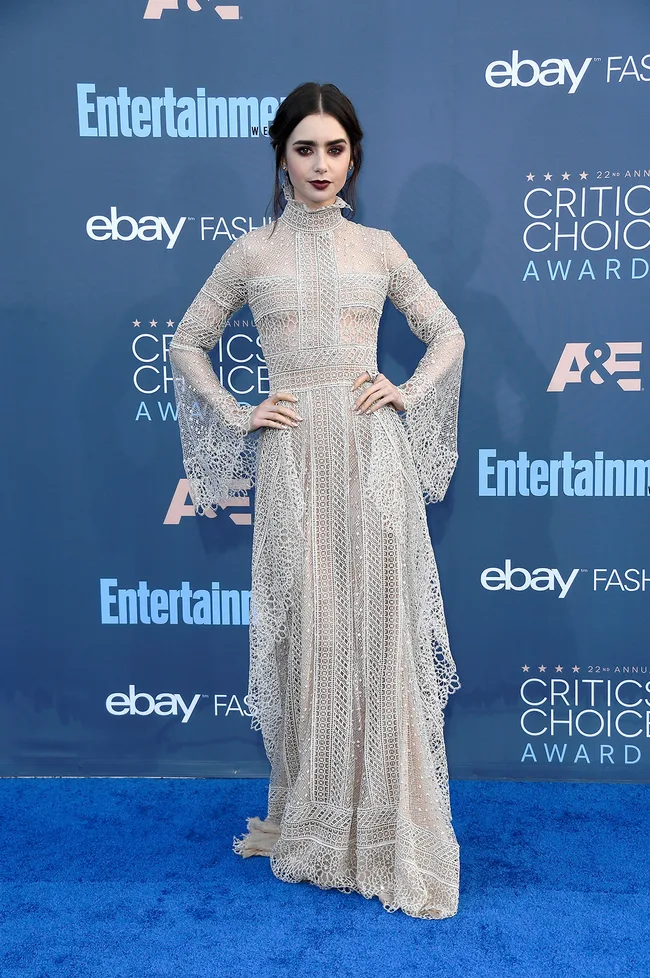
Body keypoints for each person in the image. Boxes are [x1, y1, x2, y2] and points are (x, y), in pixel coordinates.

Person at [168, 81, 465, 919]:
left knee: (377, 634)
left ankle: (385, 829)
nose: (321, 165)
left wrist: (405, 390)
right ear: (281, 155)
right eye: (306, 149)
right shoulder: (250, 253)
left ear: (354, 156)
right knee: (312, 634)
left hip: (371, 459)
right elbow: (187, 341)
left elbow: (448, 332)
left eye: (336, 149)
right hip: (295, 460)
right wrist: (238, 410)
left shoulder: (379, 247)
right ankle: (318, 819)